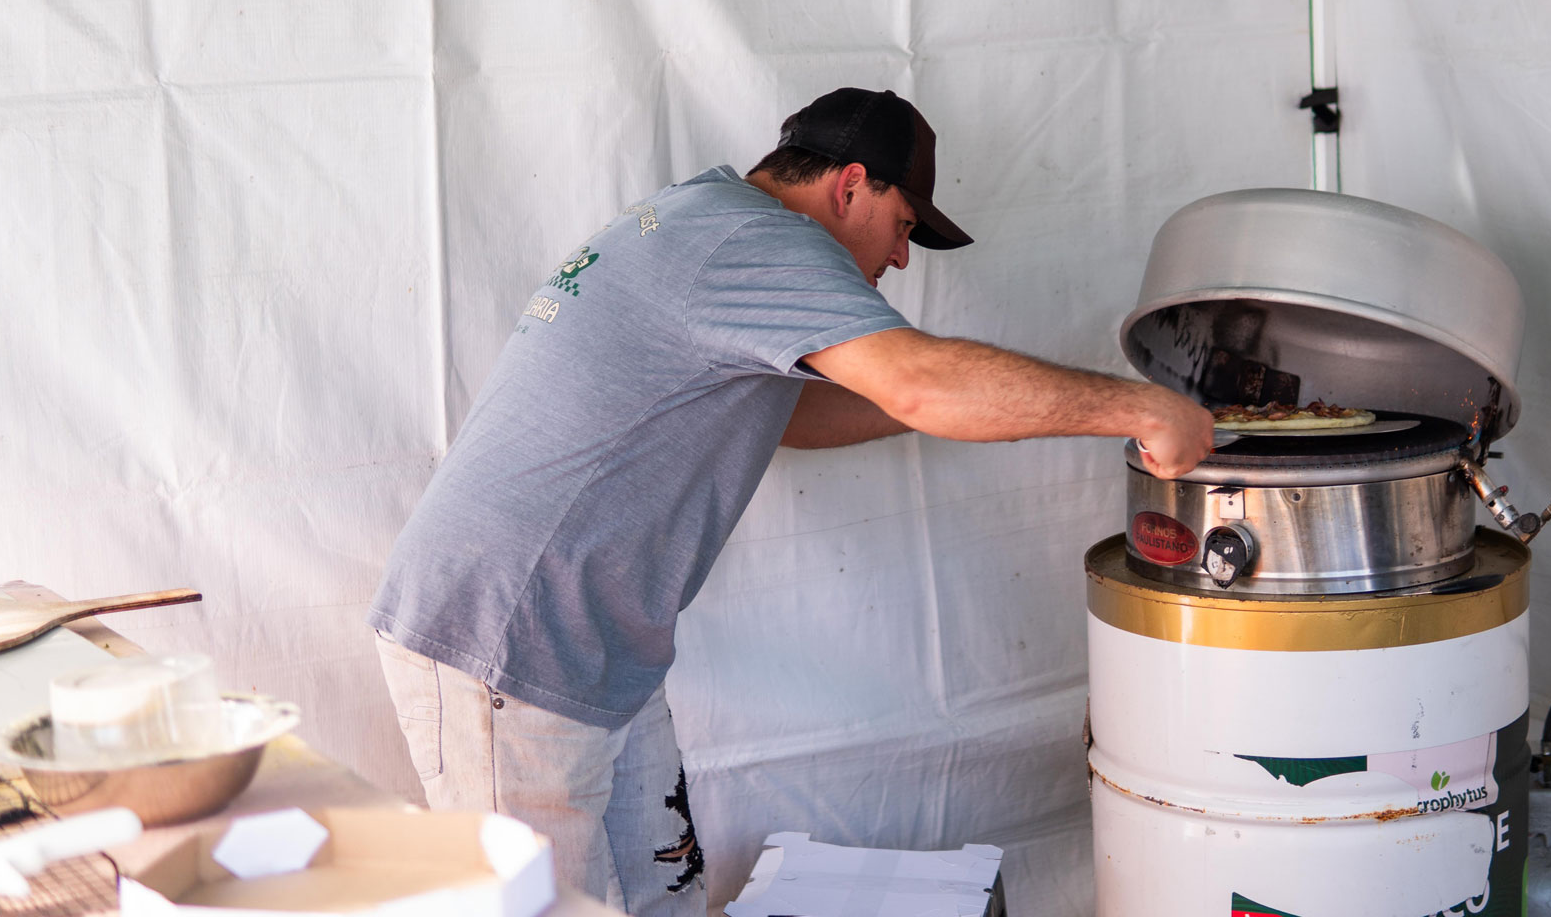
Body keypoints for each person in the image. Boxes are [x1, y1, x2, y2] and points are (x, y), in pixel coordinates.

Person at [366, 87, 1214, 915]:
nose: (900, 259)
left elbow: (800, 415)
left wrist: (1006, 404)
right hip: (508, 639)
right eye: (903, 225)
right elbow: (921, 385)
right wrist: (1142, 409)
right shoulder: (755, 239)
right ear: (850, 186)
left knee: (661, 892)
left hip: (589, 642)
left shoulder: (703, 219)